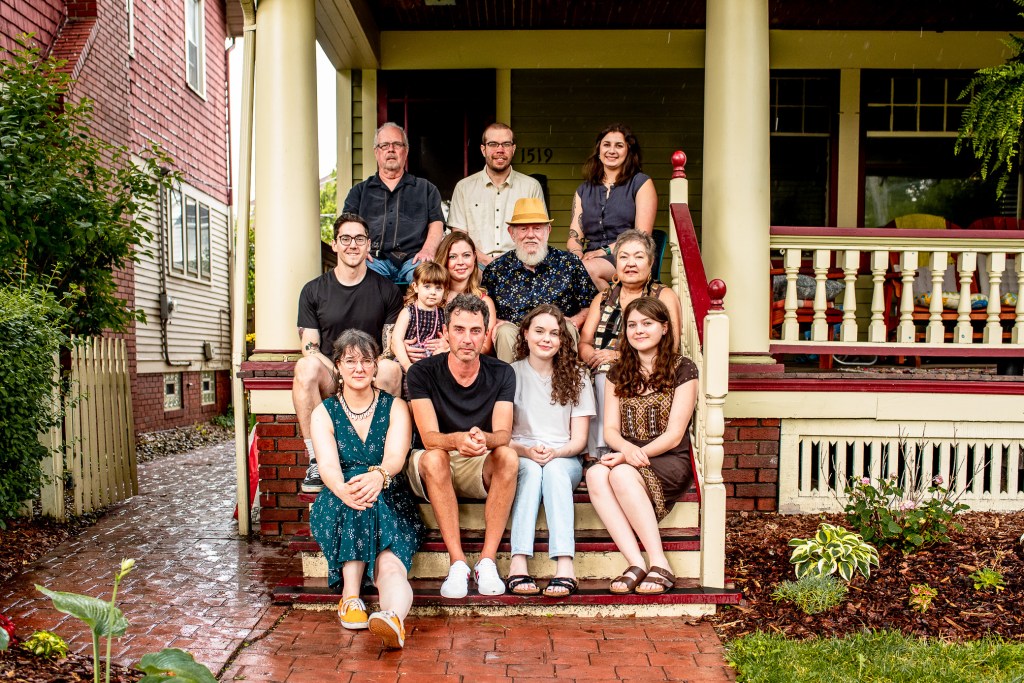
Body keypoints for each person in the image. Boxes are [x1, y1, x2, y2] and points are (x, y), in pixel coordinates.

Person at [307, 330, 424, 649]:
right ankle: (352, 597)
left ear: (375, 367)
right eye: (350, 361)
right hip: (339, 498)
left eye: (366, 361)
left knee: (390, 566)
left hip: (389, 496)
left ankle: (390, 617)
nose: (359, 368)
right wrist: (344, 490)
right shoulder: (324, 412)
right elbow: (328, 466)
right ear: (338, 366)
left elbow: (395, 457)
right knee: (358, 495)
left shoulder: (396, 407)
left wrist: (379, 476)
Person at [404, 294, 519, 598]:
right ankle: (457, 563)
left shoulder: (502, 372)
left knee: (507, 456)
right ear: (445, 332)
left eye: (475, 331)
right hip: (434, 459)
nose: (467, 339)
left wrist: (484, 439)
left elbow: (503, 434)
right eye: (459, 329)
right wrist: (456, 440)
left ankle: (486, 561)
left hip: (477, 458)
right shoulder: (422, 372)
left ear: (486, 333)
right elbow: (429, 437)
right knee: (435, 458)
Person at [585, 296, 698, 596]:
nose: (639, 330)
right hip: (628, 453)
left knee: (621, 473)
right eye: (632, 325)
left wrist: (629, 456)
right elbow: (610, 430)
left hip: (669, 457)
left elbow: (674, 434)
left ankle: (660, 563)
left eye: (647, 323)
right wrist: (624, 451)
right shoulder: (618, 371)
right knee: (595, 474)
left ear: (664, 328)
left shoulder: (682, 369)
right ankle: (636, 563)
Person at [294, 213, 404, 494]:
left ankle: (380, 461)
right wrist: (340, 370)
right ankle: (316, 460)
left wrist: (363, 370)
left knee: (391, 368)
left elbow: (390, 346)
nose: (352, 245)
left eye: (359, 239)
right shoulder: (313, 290)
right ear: (334, 244)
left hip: (371, 372)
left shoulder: (387, 290)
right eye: (345, 238)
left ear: (368, 245)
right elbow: (309, 346)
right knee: (305, 367)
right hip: (333, 373)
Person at [506, 305, 595, 598]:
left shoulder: (578, 376)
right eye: (539, 331)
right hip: (521, 452)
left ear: (562, 340)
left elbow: (579, 440)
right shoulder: (509, 374)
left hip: (565, 455)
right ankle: (518, 562)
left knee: (555, 471)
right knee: (531, 472)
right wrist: (526, 450)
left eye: (554, 333)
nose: (546, 339)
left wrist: (556, 454)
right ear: (525, 334)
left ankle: (565, 566)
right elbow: (502, 436)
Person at [578, 230, 681, 458]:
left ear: (651, 263)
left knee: (608, 372)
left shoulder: (662, 296)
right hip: (598, 365)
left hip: (645, 366)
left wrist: (617, 357)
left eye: (638, 256)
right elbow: (584, 341)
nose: (630, 263)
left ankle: (602, 451)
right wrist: (591, 356)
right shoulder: (603, 298)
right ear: (616, 263)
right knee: (578, 374)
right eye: (623, 257)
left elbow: (672, 345)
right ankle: (583, 449)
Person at [482, 197, 597, 363]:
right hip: (515, 336)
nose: (530, 235)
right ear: (511, 233)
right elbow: (484, 311)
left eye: (537, 228)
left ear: (548, 231)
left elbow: (591, 304)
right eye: (523, 229)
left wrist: (575, 321)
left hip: (557, 334)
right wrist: (497, 323)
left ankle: (566, 379)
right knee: (504, 331)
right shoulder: (496, 270)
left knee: (568, 327)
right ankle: (510, 380)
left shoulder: (569, 264)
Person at [343, 122, 445, 284]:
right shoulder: (359, 192)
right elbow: (346, 227)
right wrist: (358, 250)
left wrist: (428, 250)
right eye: (384, 145)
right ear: (376, 152)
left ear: (406, 151)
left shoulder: (426, 189)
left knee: (428, 281)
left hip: (414, 260)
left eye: (397, 144)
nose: (391, 149)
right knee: (363, 281)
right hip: (372, 260)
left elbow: (437, 224)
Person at [567, 124, 657, 291]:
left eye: (619, 145)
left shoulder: (641, 183)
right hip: (591, 258)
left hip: (629, 255)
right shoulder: (583, 190)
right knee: (566, 270)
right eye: (606, 145)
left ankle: (616, 305)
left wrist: (603, 251)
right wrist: (576, 254)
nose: (612, 150)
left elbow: (642, 235)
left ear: (628, 151)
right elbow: (574, 236)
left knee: (588, 270)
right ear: (599, 150)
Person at [448, 122, 545, 267]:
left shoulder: (531, 187)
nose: (500, 150)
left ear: (513, 149)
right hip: (475, 265)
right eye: (493, 144)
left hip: (520, 264)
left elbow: (538, 234)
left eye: (506, 144)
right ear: (483, 149)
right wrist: (484, 260)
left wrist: (512, 262)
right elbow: (459, 237)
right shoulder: (464, 188)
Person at [390, 260, 447, 395]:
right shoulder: (408, 312)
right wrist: (407, 365)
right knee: (411, 387)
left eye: (438, 288)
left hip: (432, 362)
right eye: (427, 287)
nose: (433, 292)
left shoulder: (443, 314)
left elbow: (448, 338)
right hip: (409, 360)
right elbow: (396, 340)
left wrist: (444, 344)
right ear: (415, 287)